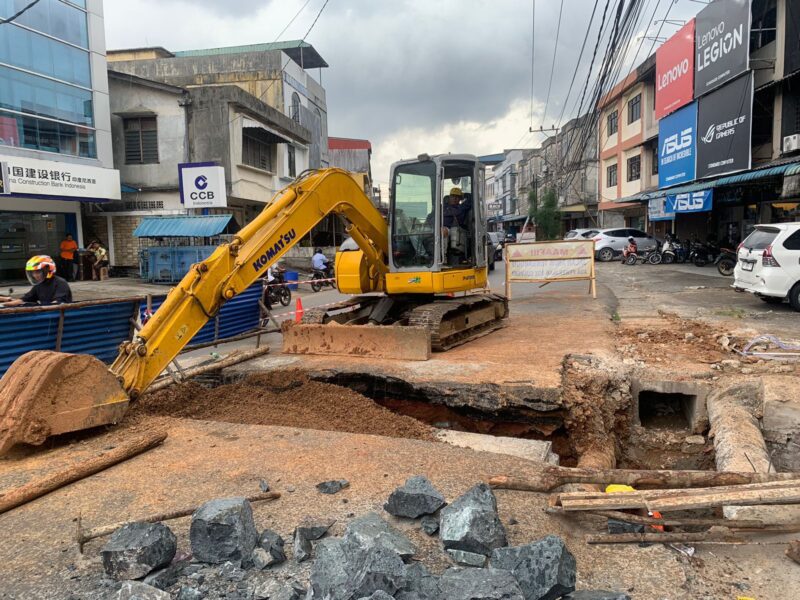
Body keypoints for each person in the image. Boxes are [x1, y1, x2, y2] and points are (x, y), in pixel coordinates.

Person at [0, 255, 72, 307]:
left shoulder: (60, 283)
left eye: (37, 272)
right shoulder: (39, 284)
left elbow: (57, 303)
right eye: (33, 273)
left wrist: (38, 306)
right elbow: (25, 299)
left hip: (59, 316)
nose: (35, 275)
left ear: (47, 270)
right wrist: (3, 304)